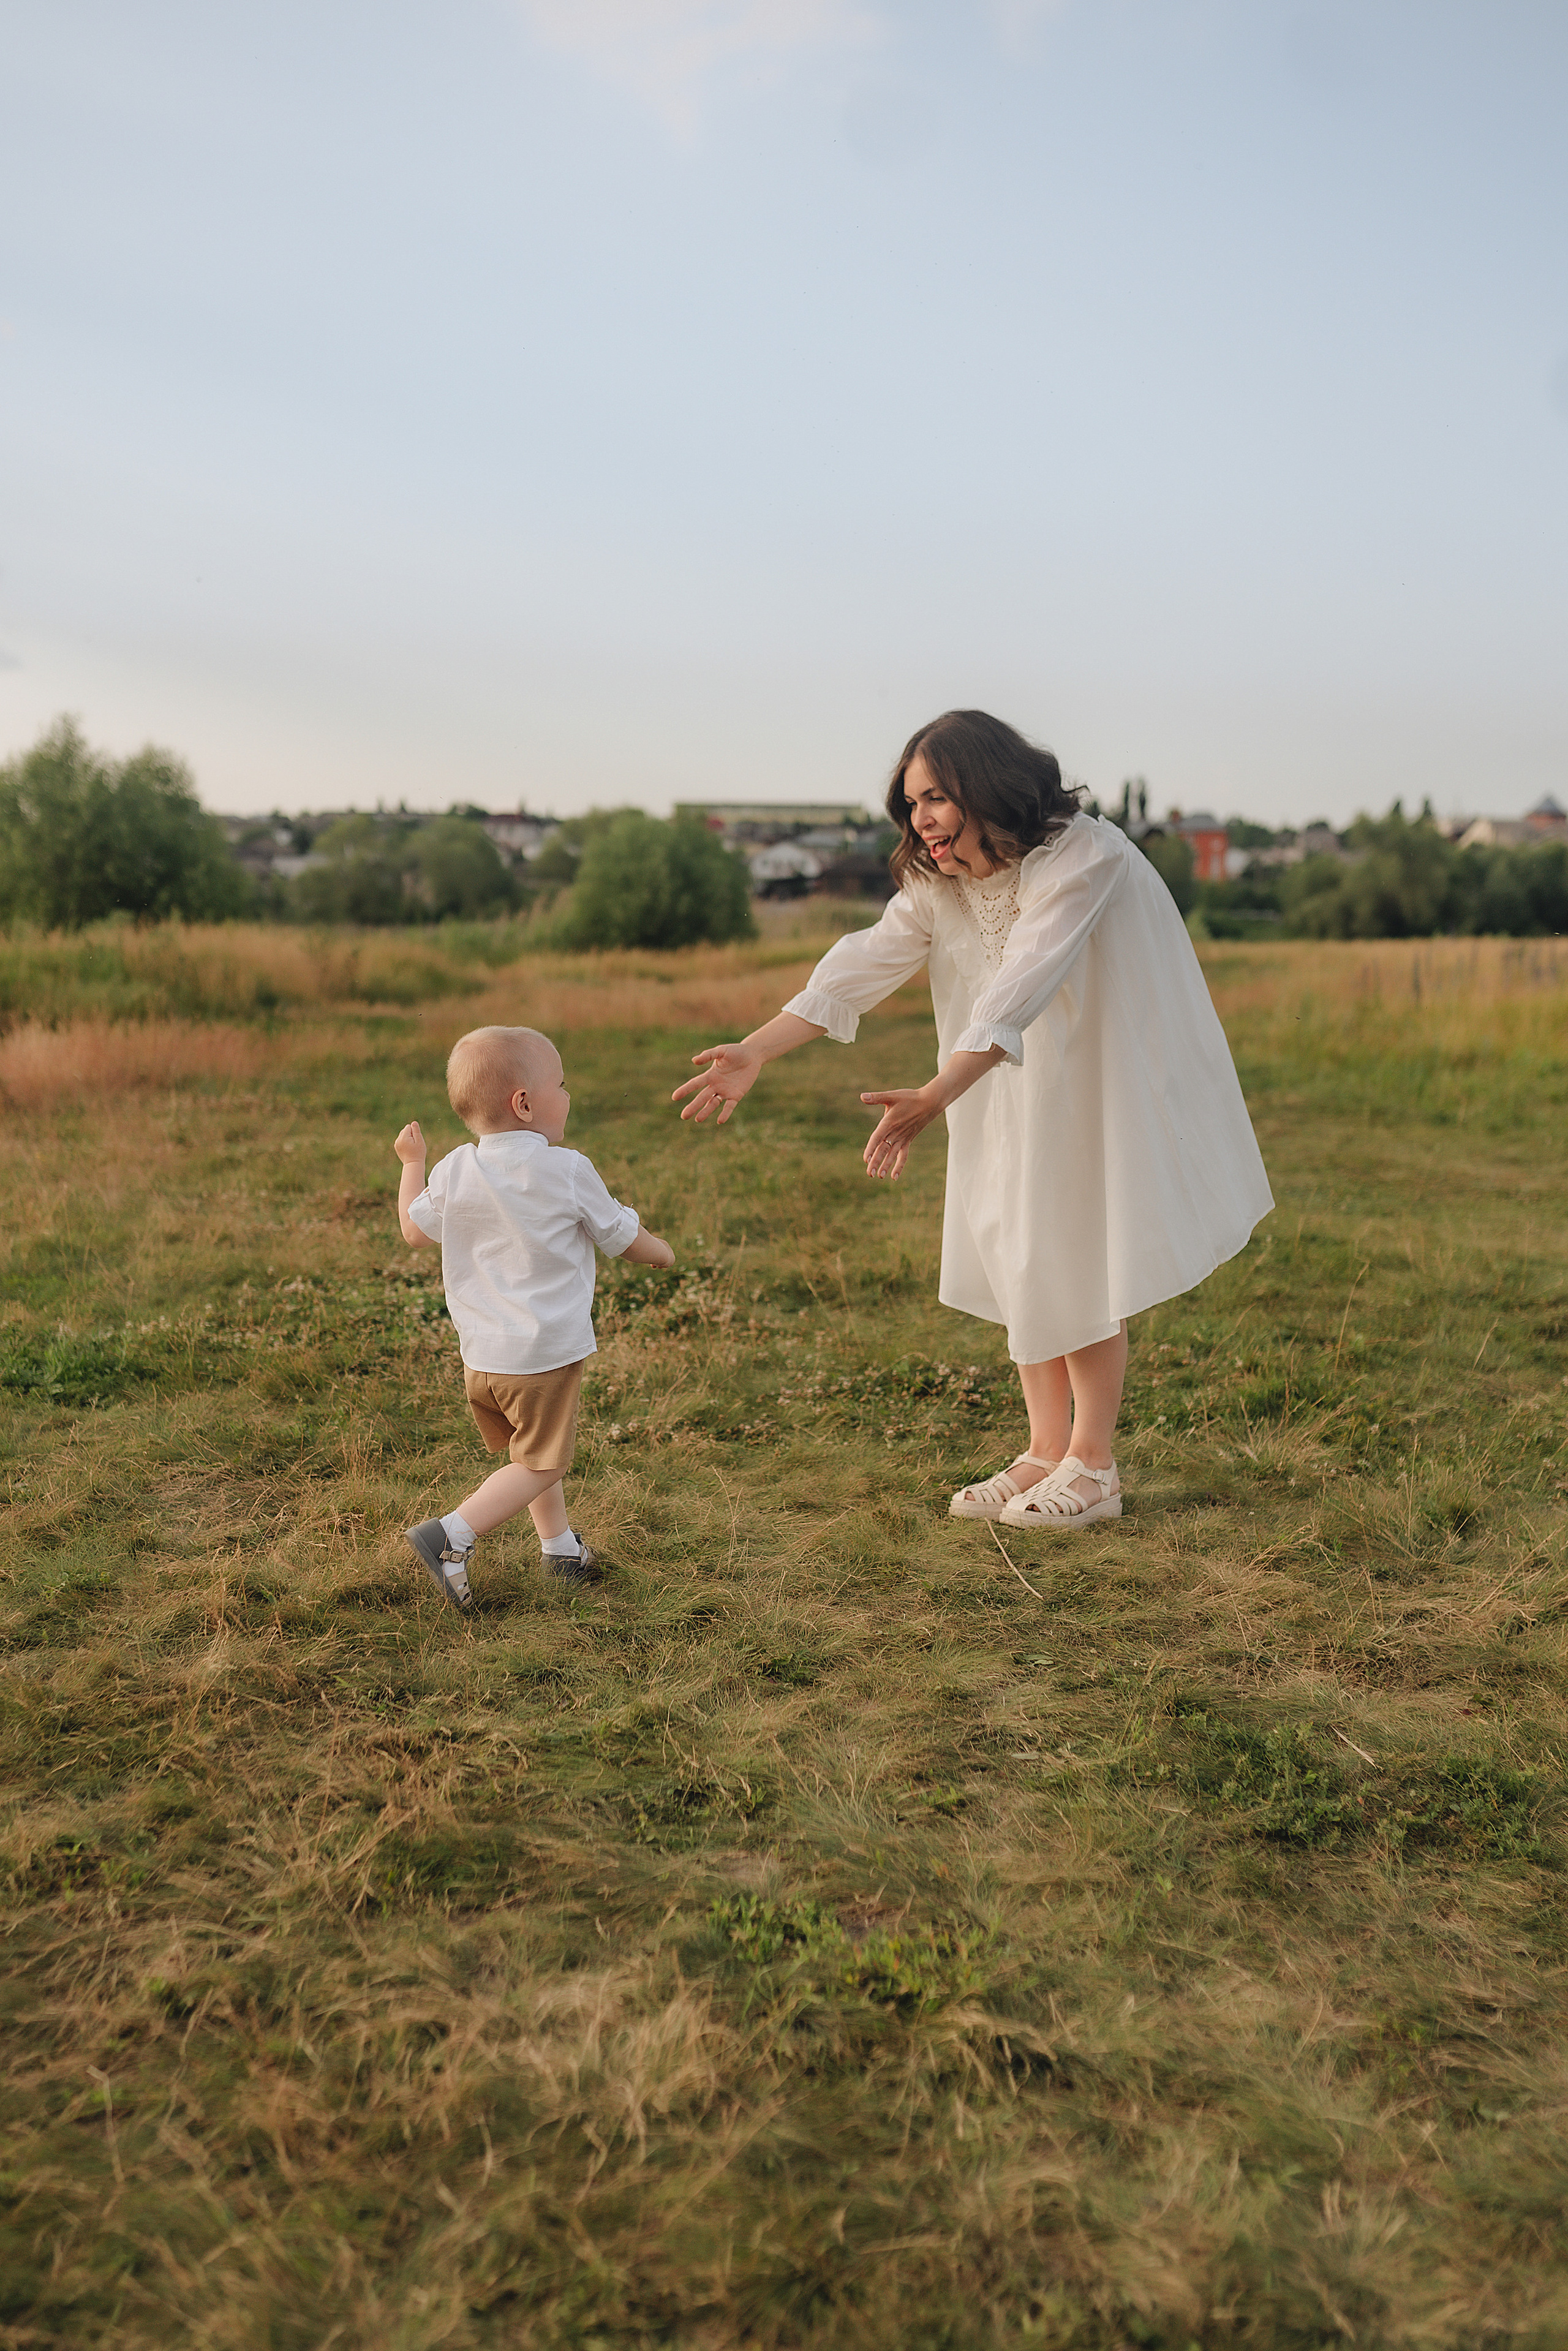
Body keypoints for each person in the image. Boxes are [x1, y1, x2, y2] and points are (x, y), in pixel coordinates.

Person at [672, 711, 1272, 1530]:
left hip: (1092, 1069)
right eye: (911, 801)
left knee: (1074, 1245)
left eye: (936, 796)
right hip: (995, 1072)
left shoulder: (1082, 852)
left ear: (986, 784)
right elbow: (863, 960)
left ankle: (1093, 1466)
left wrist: (934, 1091)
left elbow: (1026, 976)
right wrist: (758, 1048)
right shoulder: (938, 878)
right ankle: (1041, 1449)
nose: (920, 818)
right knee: (1015, 1242)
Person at [394, 1024, 674, 1607]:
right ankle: (450, 1537)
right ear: (524, 1104)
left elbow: (413, 1232)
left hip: (484, 1359)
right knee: (543, 1464)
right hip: (543, 1355)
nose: (568, 1096)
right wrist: (663, 1253)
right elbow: (622, 1235)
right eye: (561, 1084)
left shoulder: (454, 1168)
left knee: (533, 1453)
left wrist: (412, 1163)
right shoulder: (566, 1169)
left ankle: (560, 1549)